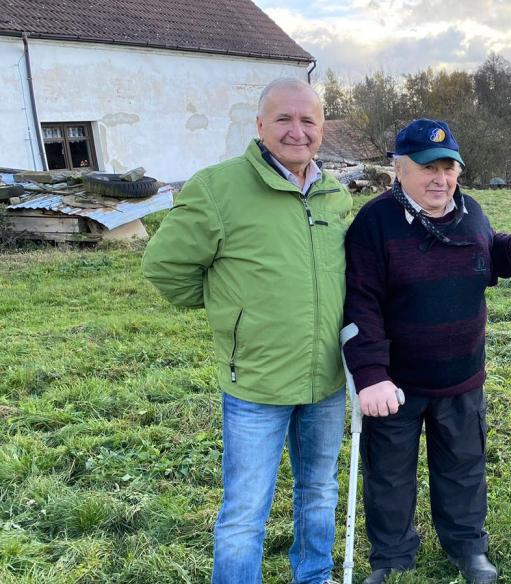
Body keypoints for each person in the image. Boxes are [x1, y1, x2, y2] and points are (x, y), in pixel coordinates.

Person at [142, 78, 352, 584]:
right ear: (260, 126)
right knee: (244, 511)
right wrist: (230, 308)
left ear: (322, 129)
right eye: (284, 119)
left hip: (325, 380)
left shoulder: (335, 195)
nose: (296, 131)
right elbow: (164, 266)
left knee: (319, 491)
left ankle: (314, 576)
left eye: (308, 121)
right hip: (255, 382)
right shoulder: (218, 188)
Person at [343, 119, 511, 584]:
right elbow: (361, 303)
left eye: (449, 167)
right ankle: (392, 557)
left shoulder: (470, 210)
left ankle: (467, 547)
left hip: (461, 378)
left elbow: (484, 253)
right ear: (399, 170)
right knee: (390, 476)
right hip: (393, 386)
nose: (441, 178)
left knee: (463, 468)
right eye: (427, 167)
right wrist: (371, 375)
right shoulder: (373, 225)